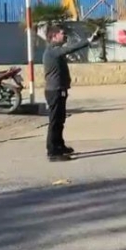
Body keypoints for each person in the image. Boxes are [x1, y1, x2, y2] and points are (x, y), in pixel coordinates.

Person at [43, 24, 101, 162]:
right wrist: (88, 40)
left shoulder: (56, 50)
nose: (65, 35)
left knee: (61, 120)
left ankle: (59, 145)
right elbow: (71, 49)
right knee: (55, 121)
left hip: (60, 89)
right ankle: (52, 152)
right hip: (54, 91)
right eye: (62, 33)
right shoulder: (52, 50)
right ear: (54, 36)